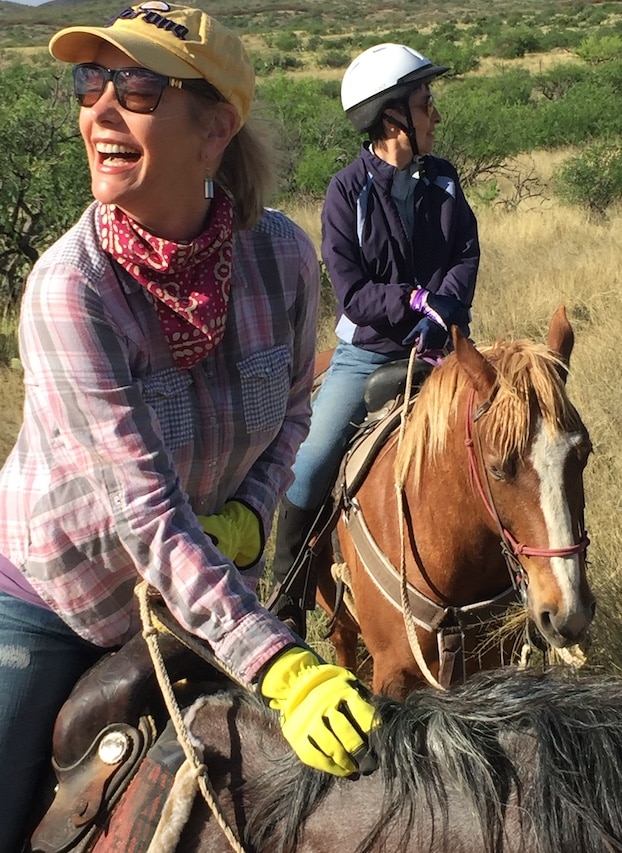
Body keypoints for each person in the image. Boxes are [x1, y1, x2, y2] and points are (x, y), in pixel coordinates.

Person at [0, 5, 377, 849]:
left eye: (135, 85)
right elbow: (146, 515)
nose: (98, 106)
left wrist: (249, 510)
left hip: (203, 588)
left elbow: (289, 409)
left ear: (215, 130)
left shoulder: (280, 255)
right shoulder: (72, 291)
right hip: (58, 601)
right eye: (88, 81)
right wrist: (279, 664)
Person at [269, 43, 480, 635]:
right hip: (368, 351)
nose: (435, 114)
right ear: (392, 118)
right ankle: (286, 602)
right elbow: (353, 291)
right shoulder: (345, 193)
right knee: (307, 470)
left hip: (443, 343)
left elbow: (465, 252)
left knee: (505, 442)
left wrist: (441, 313)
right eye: (424, 103)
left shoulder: (445, 179)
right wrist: (408, 302)